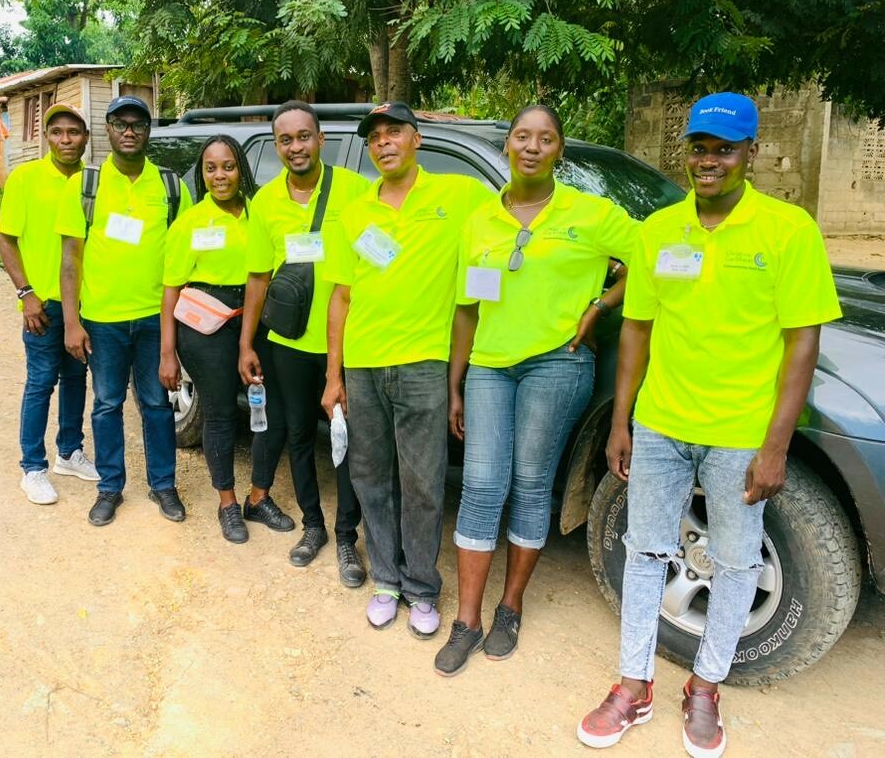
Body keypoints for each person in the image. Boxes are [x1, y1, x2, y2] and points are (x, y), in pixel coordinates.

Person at [576, 93, 841, 757]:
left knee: (732, 563)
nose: (709, 161)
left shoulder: (788, 231)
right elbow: (635, 328)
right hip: (662, 425)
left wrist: (775, 445)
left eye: (724, 149)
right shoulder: (658, 231)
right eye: (699, 148)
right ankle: (633, 686)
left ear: (749, 153)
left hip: (738, 436)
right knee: (643, 552)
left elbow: (802, 342)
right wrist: (623, 420)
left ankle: (705, 688)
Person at [434, 105, 639, 676]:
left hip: (557, 364)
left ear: (559, 152)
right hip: (490, 369)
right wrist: (456, 383)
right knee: (480, 485)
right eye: (522, 136)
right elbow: (467, 308)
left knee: (529, 483)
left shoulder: (592, 214)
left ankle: (511, 605)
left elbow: (651, 258)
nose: (531, 146)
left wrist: (601, 304)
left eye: (545, 139)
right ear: (506, 146)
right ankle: (467, 621)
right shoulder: (479, 220)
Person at [321, 102, 491, 638]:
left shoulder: (460, 197)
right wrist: (334, 374)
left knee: (422, 481)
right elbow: (340, 298)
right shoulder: (353, 214)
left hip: (424, 363)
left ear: (417, 139)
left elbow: (519, 217)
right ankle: (387, 582)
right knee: (371, 477)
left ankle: (421, 588)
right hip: (365, 363)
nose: (384, 143)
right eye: (375, 137)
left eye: (394, 132)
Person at [239, 101, 370, 584]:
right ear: (277, 146)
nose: (296, 147)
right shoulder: (267, 202)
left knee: (349, 441)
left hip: (348, 342)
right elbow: (257, 276)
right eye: (286, 140)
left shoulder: (357, 191)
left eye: (304, 136)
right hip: (288, 343)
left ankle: (348, 539)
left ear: (321, 139)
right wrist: (247, 343)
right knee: (297, 435)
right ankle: (314, 526)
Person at [55, 95, 193, 527]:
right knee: (107, 404)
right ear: (109, 130)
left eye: (138, 123)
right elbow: (69, 258)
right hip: (103, 319)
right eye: (120, 123)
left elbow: (184, 258)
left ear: (149, 131)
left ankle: (163, 485)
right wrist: (73, 322)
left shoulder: (171, 186)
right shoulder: (85, 185)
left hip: (156, 317)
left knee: (156, 403)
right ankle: (110, 487)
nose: (129, 130)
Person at [160, 135, 296, 543]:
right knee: (219, 415)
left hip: (259, 321)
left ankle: (259, 497)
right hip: (207, 328)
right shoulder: (191, 221)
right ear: (202, 175)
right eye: (210, 168)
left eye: (228, 166)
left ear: (242, 169)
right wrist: (168, 351)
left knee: (271, 413)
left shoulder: (262, 212)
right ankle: (227, 504)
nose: (220, 175)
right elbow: (171, 288)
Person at [0, 103, 100, 504]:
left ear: (86, 138)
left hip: (85, 304)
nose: (65, 140)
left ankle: (69, 451)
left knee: (76, 378)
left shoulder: (94, 182)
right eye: (57, 132)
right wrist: (26, 294)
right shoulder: (25, 178)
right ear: (47, 138)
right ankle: (32, 467)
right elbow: (6, 239)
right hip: (42, 304)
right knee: (41, 381)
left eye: (73, 133)